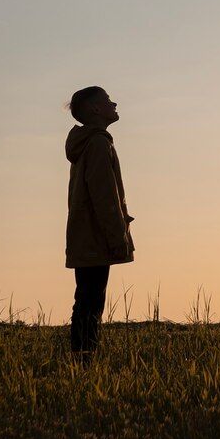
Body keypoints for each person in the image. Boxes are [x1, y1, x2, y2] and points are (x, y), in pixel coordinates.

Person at [65, 86, 135, 359]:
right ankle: (84, 358)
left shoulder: (89, 142)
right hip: (95, 236)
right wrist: (117, 237)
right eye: (107, 101)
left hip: (85, 234)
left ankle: (81, 355)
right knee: (91, 300)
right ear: (95, 109)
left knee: (87, 297)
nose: (114, 103)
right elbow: (105, 197)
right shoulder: (96, 143)